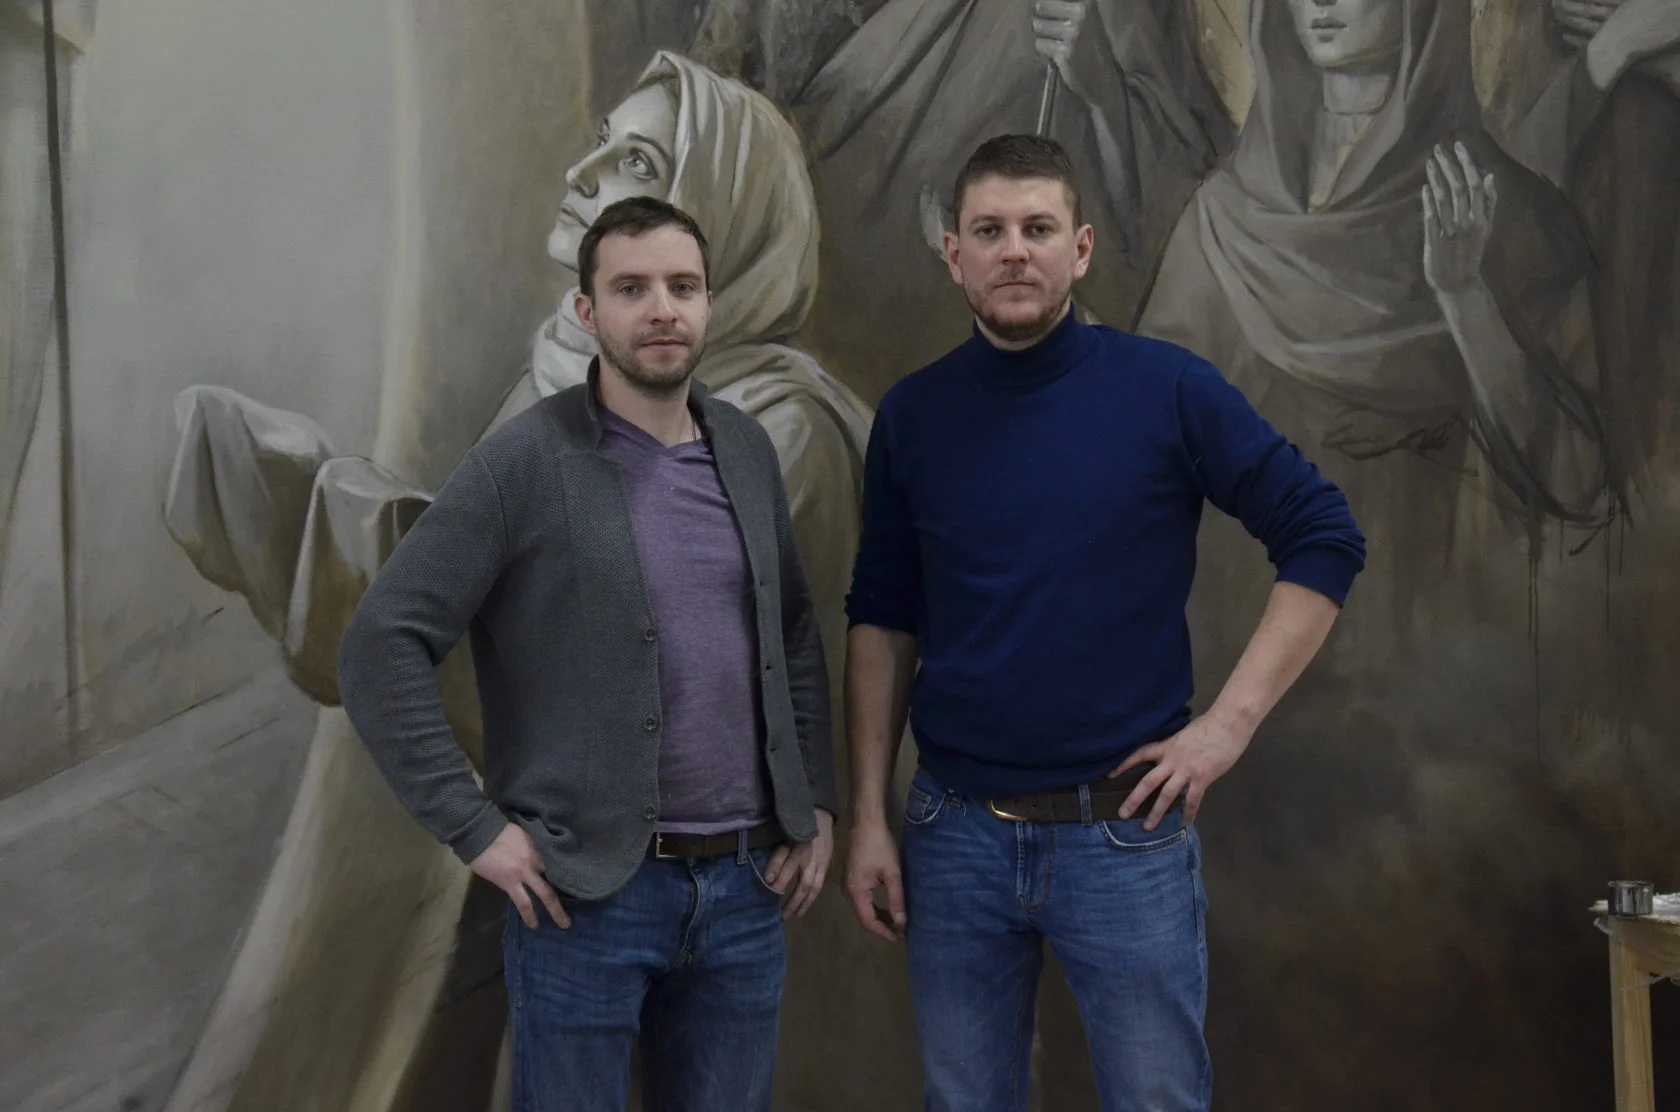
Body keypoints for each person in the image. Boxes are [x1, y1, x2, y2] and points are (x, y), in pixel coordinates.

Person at [841, 134, 1366, 1111]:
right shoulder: (912, 416)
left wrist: (1227, 727)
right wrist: (869, 814)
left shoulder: (1168, 390)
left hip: (1124, 834)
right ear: (953, 254)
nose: (1014, 251)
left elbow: (1323, 536)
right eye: (989, 231)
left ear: (1079, 249)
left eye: (1037, 228)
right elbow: (881, 615)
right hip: (953, 834)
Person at [336, 196, 837, 1112]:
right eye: (631, 288)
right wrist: (473, 827)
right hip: (590, 899)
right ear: (586, 310)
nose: (661, 310)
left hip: (745, 892)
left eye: (682, 286)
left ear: (710, 304)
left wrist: (817, 802)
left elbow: (794, 632)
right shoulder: (523, 463)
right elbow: (380, 643)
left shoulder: (747, 448)